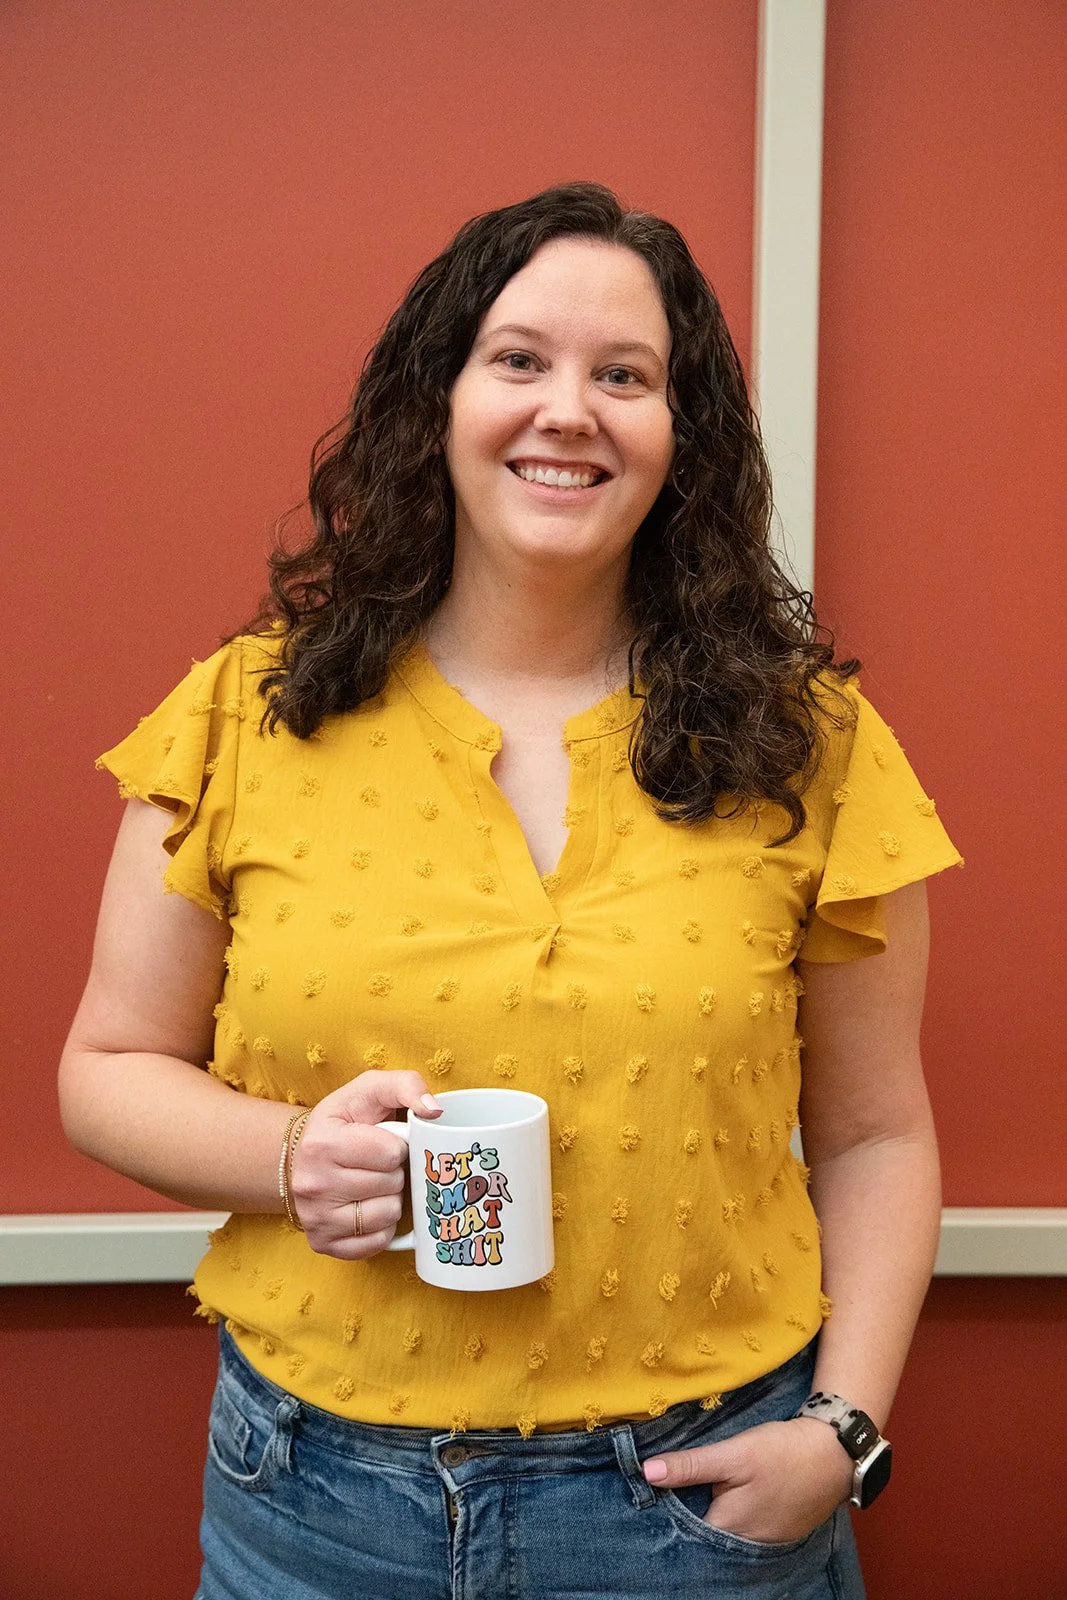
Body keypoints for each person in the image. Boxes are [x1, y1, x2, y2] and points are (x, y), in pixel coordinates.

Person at [60, 181, 961, 1600]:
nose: (569, 411)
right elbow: (106, 1068)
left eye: (626, 376)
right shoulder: (251, 708)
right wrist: (292, 1157)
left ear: (684, 438)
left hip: (696, 1509)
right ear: (439, 399)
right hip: (312, 1500)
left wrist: (842, 1430)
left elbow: (874, 1134)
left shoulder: (810, 743)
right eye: (519, 360)